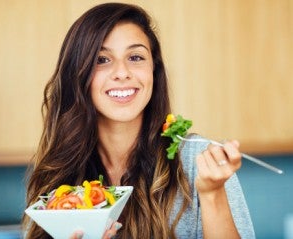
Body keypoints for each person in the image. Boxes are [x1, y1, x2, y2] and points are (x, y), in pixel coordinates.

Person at [23, 2, 255, 239]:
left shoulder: (200, 163)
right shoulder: (58, 172)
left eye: (135, 57)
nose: (122, 72)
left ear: (154, 70)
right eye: (102, 59)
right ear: (78, 75)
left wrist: (213, 194)